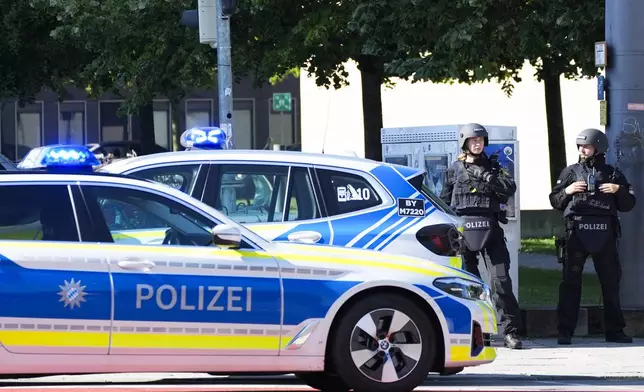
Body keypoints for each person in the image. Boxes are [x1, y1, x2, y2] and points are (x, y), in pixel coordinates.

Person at [440, 123, 524, 349]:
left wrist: (487, 176)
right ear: (465, 144)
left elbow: (510, 187)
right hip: (463, 234)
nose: (477, 144)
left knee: (501, 282)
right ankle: (475, 332)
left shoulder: (494, 166)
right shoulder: (454, 169)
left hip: (491, 231)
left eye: (480, 141)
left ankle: (510, 332)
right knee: (469, 285)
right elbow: (444, 201)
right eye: (472, 141)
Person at [549, 128, 636, 345]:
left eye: (586, 146)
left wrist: (618, 190)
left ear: (599, 147)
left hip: (605, 234)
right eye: (580, 146)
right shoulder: (571, 172)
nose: (582, 150)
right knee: (570, 282)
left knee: (610, 283)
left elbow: (628, 205)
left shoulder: (613, 173)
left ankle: (615, 331)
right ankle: (565, 331)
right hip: (576, 233)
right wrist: (568, 191)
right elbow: (555, 201)